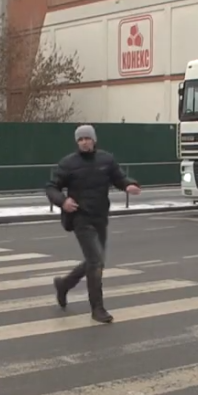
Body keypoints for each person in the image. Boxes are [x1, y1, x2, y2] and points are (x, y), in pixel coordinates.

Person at [45, 124, 141, 323]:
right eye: (80, 139)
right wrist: (63, 201)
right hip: (81, 218)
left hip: (100, 217)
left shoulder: (106, 159)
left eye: (87, 138)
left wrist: (129, 185)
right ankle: (97, 308)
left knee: (96, 262)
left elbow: (119, 178)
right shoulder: (68, 163)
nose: (84, 142)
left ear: (94, 140)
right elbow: (52, 186)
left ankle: (64, 284)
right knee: (96, 261)